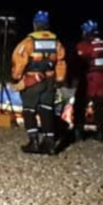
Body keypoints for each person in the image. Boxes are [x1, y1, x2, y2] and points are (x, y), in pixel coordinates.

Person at [11, 10, 67, 154]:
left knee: (29, 110)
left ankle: (33, 141)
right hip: (50, 80)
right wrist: (60, 79)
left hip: (32, 80)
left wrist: (16, 77)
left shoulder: (28, 42)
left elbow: (19, 61)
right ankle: (50, 143)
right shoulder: (57, 42)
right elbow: (61, 62)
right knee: (47, 109)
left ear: (35, 24)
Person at [72, 20, 103, 141]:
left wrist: (73, 77)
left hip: (89, 79)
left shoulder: (84, 46)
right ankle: (100, 131)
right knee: (100, 105)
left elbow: (77, 63)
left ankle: (78, 131)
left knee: (80, 104)